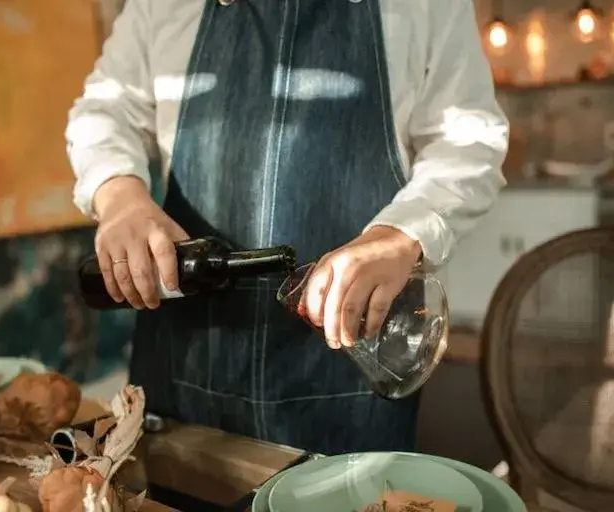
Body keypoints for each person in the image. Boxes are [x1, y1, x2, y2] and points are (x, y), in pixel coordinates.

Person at [67, 0, 508, 455]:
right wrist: (119, 197)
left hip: (350, 383)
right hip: (186, 382)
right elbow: (104, 112)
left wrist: (398, 236)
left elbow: (468, 143)